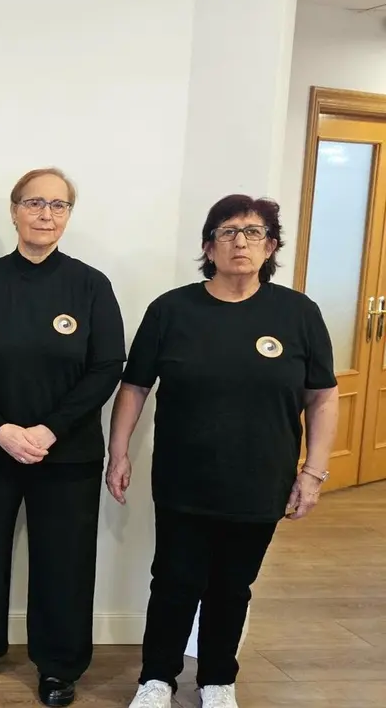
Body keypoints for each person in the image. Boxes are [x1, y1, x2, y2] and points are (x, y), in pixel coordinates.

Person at [108, 195, 338, 708]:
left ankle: (217, 680)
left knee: (233, 586)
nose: (241, 241)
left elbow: (321, 396)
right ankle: (157, 679)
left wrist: (314, 472)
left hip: (260, 480)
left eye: (254, 232)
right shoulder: (172, 310)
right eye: (228, 231)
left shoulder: (298, 313)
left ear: (271, 246)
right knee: (173, 581)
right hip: (183, 479)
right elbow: (135, 387)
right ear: (209, 247)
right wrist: (117, 453)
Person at [0, 168, 126, 707]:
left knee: (63, 563)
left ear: (69, 214)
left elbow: (107, 366)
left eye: (58, 205)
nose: (46, 214)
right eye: (34, 203)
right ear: (14, 209)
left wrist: (47, 429)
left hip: (66, 454)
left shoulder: (91, 286)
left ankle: (58, 665)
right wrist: (0, 428)